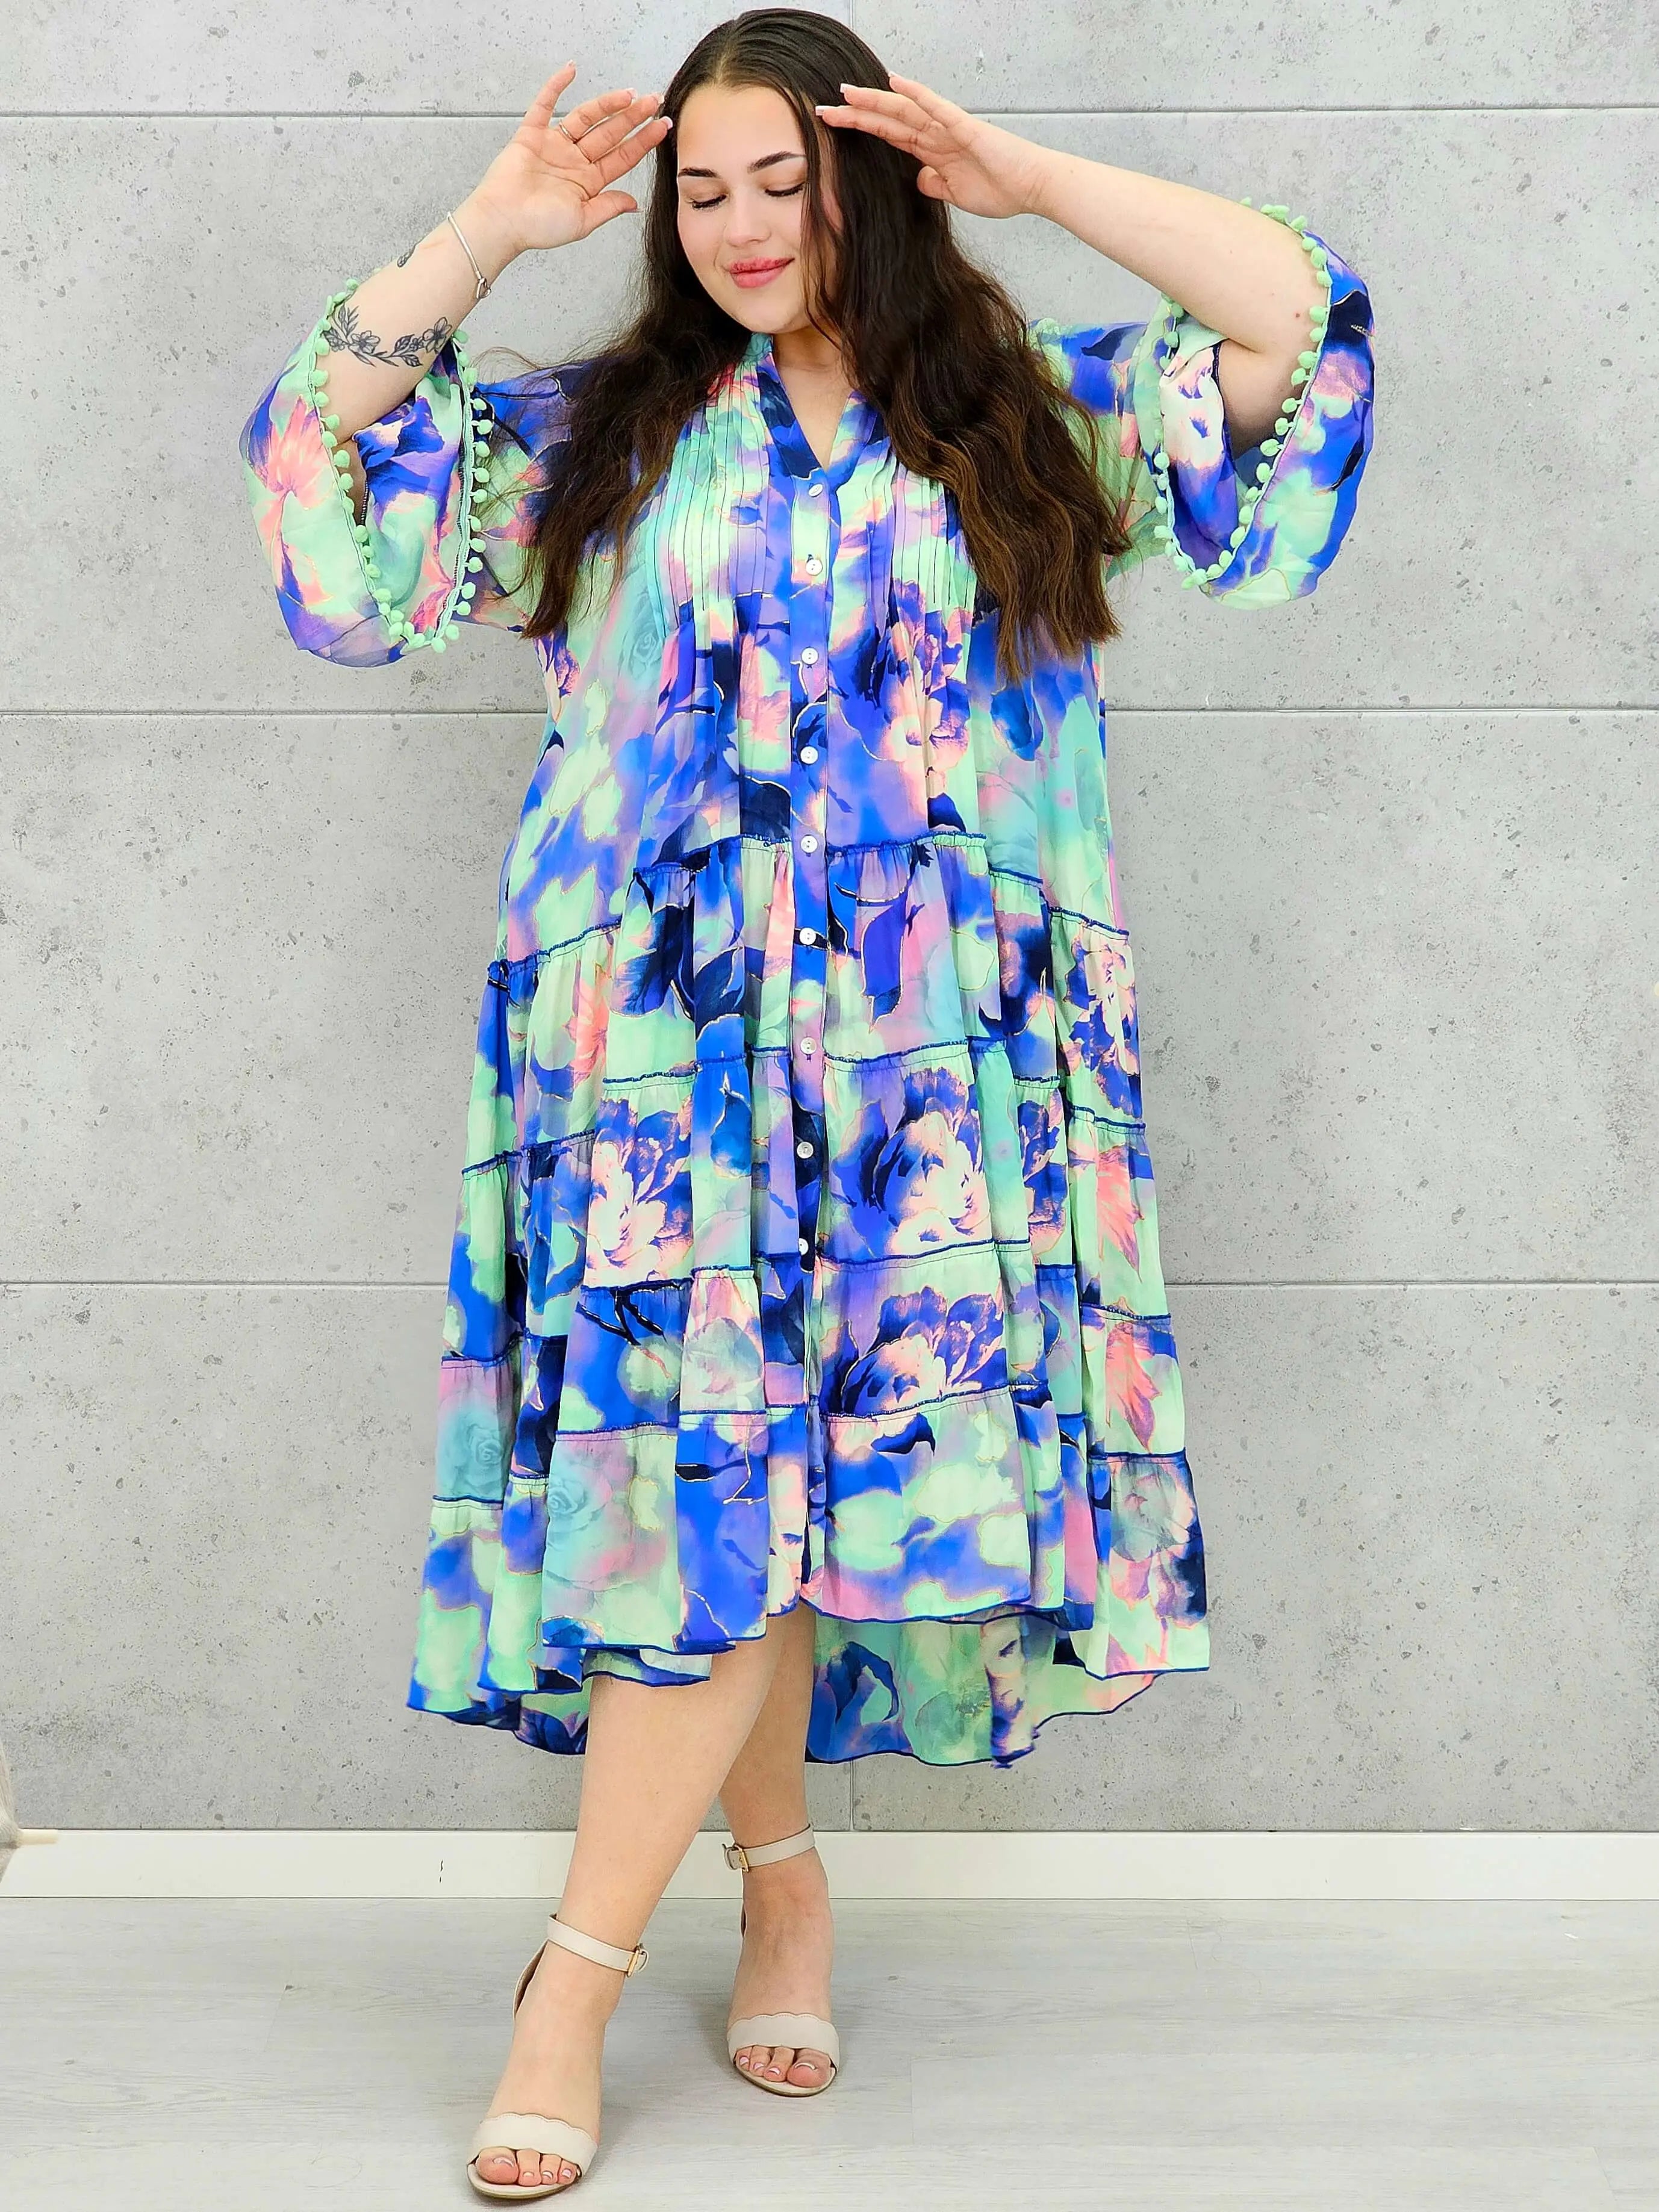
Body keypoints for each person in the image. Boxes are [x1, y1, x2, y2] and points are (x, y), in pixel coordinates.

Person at [240, 8, 1374, 2197]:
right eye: (706, 189)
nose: (747, 226)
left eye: (790, 180)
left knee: (790, 1502)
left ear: (875, 185)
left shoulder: (1032, 426)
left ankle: (735, 1905)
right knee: (701, 1508)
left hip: (937, 1088)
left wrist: (1027, 177)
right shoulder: (599, 435)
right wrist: (487, 229)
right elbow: (319, 458)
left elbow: (1295, 321)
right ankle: (616, 1962)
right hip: (654, 1072)